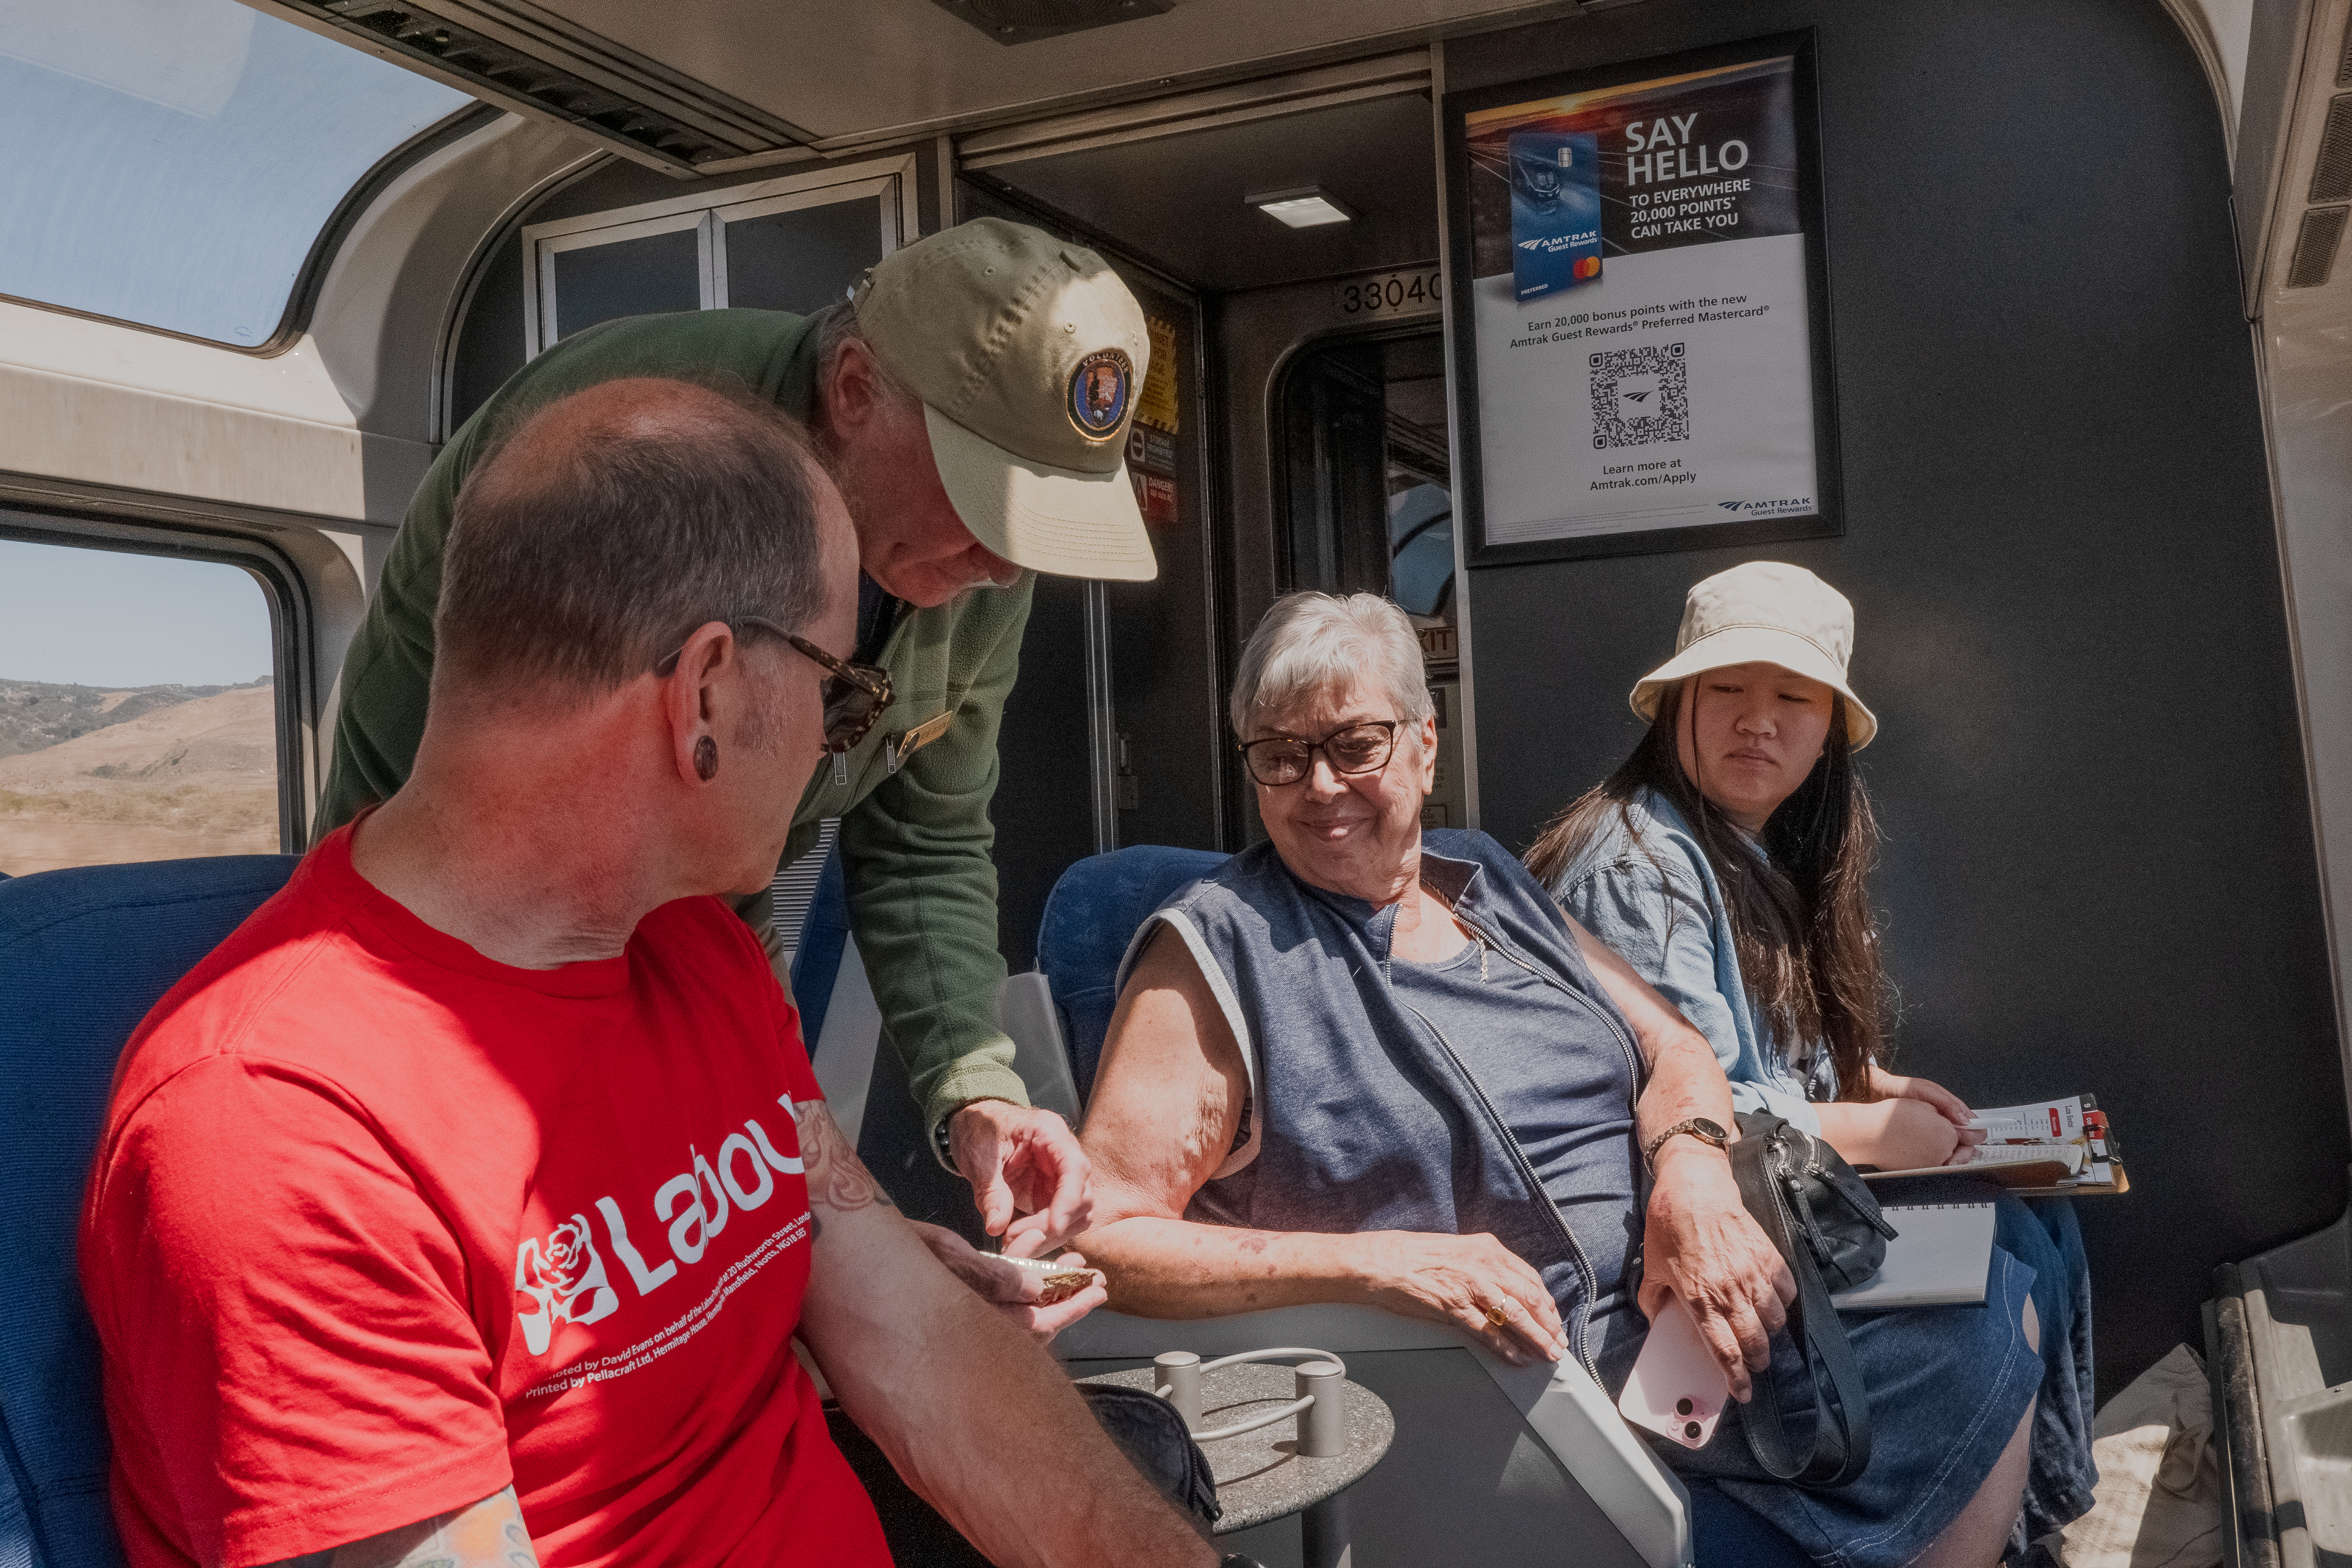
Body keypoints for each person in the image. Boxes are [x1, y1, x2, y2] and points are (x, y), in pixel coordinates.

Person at [78, 380, 1221, 1568]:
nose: (835, 741)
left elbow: (917, 1334)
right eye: (839, 691)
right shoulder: (276, 1138)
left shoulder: (698, 951)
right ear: (707, 692)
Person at [1075, 591, 2042, 1568]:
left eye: (1356, 744)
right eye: (1282, 755)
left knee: (1995, 1298)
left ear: (1425, 744)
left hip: (1668, 1321)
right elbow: (1098, 1236)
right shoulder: (1216, 952)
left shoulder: (1482, 880)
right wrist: (1386, 1264)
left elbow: (1675, 1046)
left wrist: (1692, 1178)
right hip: (1508, 1391)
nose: (1321, 785)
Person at [318, 216, 1163, 1254]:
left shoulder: (971, 559)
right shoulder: (650, 454)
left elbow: (927, 834)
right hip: (465, 936)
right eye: (987, 500)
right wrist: (795, 1187)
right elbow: (628, 848)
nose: (1006, 566)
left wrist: (973, 1086)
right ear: (854, 388)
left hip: (693, 916)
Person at [1523, 560, 2098, 1557]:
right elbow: (1690, 1104)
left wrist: (1868, 1083)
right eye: (1727, 689)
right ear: (1677, 705)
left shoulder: (1750, 842)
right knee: (2003, 1265)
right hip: (1671, 1240)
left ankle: (2031, 1519)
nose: (1759, 721)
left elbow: (1767, 1053)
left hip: (1782, 1194)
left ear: (1829, 726)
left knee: (2042, 1214)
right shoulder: (1637, 862)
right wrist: (1875, 1131)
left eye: (1793, 698)